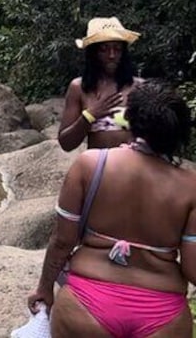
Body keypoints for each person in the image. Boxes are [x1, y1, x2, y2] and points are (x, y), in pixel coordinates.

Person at [26, 81, 196, 337]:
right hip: (162, 313)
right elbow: (192, 268)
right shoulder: (190, 185)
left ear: (129, 119)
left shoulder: (90, 164)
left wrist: (44, 288)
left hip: (86, 303)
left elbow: (62, 241)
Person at [58, 17, 142, 152]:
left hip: (133, 168)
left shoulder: (139, 87)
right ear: (93, 53)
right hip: (98, 168)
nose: (112, 55)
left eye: (118, 49)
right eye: (104, 49)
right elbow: (66, 144)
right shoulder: (79, 88)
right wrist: (89, 116)